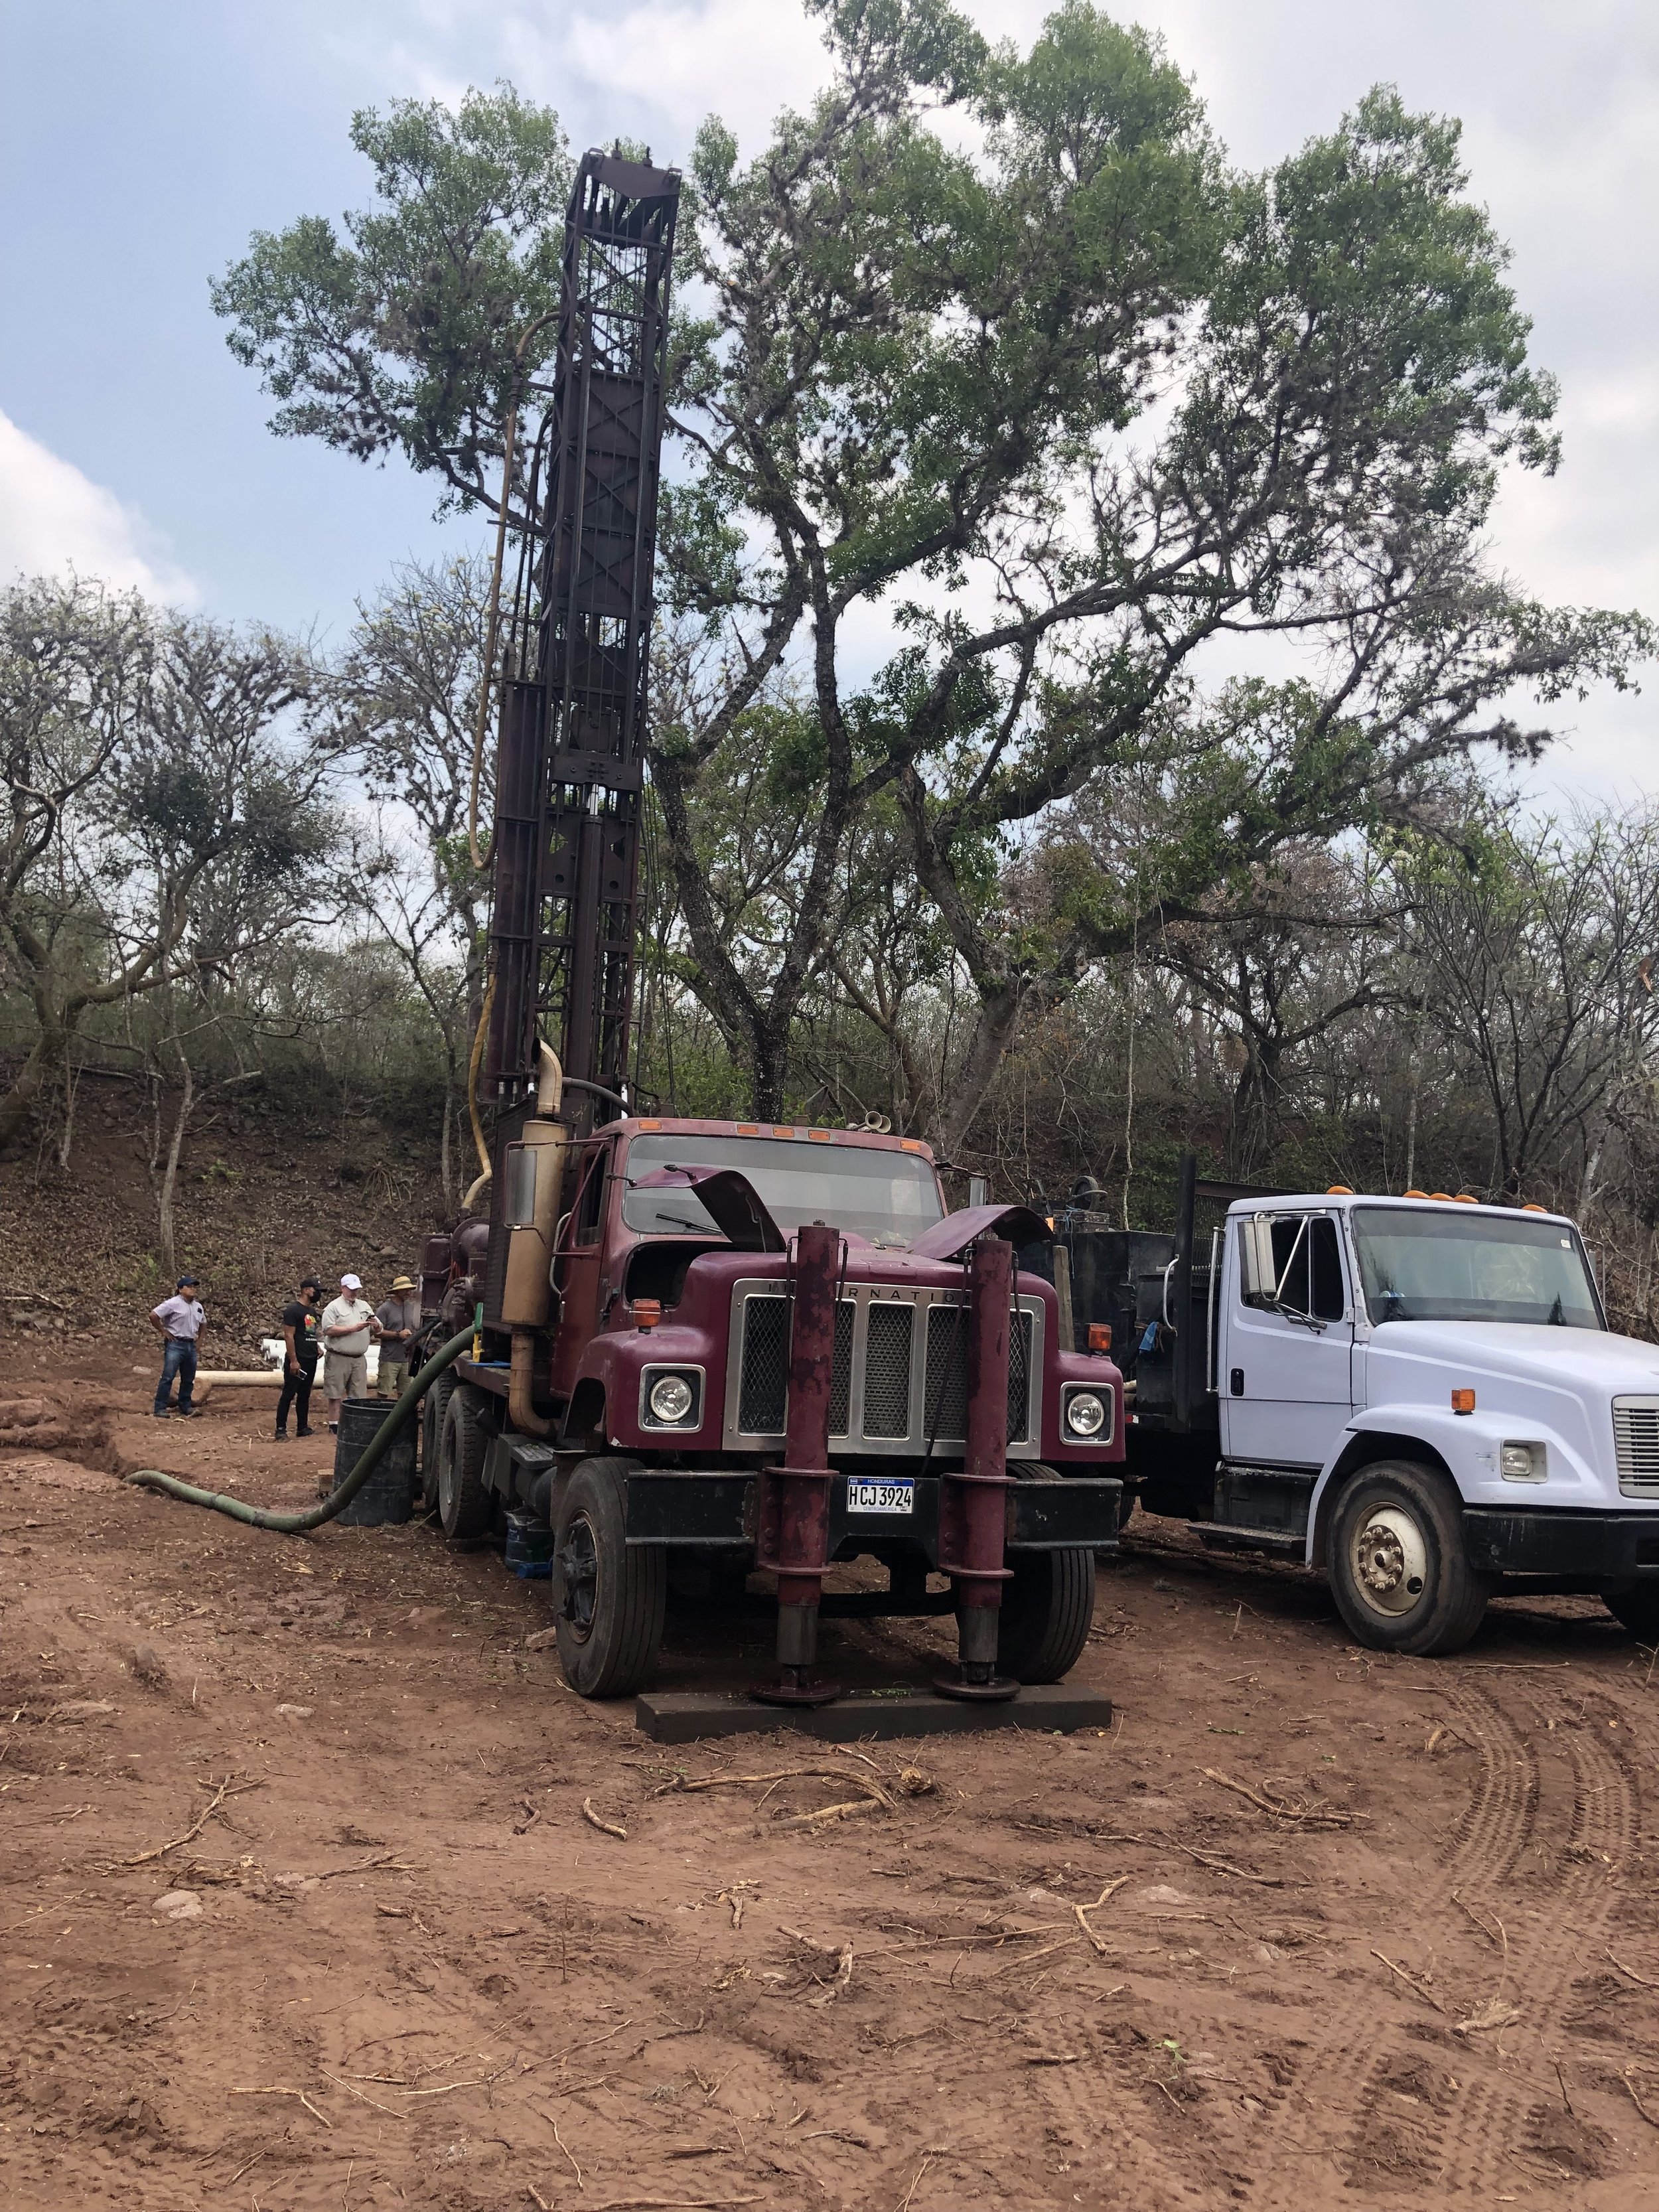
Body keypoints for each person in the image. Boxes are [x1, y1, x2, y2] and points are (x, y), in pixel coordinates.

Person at [320, 1272, 375, 1432]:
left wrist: (377, 1326)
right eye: (351, 1289)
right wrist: (352, 1329)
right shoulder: (333, 1307)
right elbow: (328, 1329)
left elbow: (376, 1326)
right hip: (339, 1356)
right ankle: (334, 1425)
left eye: (356, 1289)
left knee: (359, 1394)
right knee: (335, 1393)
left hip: (359, 1357)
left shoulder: (364, 1306)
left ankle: (354, 1424)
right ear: (342, 1288)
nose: (354, 1292)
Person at [151, 1276, 206, 1419]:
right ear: (181, 1289)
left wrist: (200, 1340)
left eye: (194, 1287)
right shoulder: (172, 1303)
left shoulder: (198, 1307)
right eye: (190, 1286)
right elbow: (154, 1315)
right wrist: (163, 1331)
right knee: (168, 1376)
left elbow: (203, 1323)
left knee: (188, 1378)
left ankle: (185, 1405)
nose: (193, 1289)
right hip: (175, 1343)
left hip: (190, 1344)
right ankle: (160, 1407)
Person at [275, 1277, 322, 1440]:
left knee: (305, 1394)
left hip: (311, 1359)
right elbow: (289, 1336)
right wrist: (294, 1360)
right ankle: (281, 1428)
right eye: (316, 1291)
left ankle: (302, 1426)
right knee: (289, 1394)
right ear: (307, 1290)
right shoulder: (292, 1311)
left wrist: (317, 1347)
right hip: (298, 1359)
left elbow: (309, 1333)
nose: (318, 1294)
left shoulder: (312, 1312)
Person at [374, 1275, 421, 1398]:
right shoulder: (384, 1309)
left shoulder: (412, 1308)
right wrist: (397, 1335)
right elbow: (377, 1332)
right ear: (396, 1291)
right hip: (389, 1358)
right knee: (384, 1393)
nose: (408, 1292)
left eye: (409, 1289)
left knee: (406, 1395)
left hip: (407, 1360)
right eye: (404, 1290)